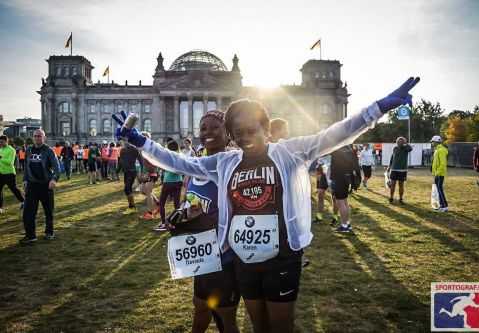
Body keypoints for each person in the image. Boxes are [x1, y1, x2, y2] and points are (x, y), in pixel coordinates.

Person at [114, 77, 420, 332]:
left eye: (253, 130)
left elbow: (335, 134)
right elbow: (177, 161)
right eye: (240, 133)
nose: (247, 137)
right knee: (259, 327)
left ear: (265, 129)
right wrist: (141, 142)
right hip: (245, 258)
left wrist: (376, 109)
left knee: (281, 327)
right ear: (232, 136)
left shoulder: (289, 152)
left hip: (282, 257)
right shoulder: (224, 162)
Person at [171, 110, 240, 333]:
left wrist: (204, 220)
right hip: (202, 255)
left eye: (214, 127)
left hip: (226, 258)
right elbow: (190, 201)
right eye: (203, 128)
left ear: (228, 133)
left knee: (225, 318)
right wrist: (181, 217)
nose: (208, 132)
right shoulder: (194, 167)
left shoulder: (234, 167)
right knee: (200, 306)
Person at [21, 129, 59, 244]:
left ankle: (49, 232)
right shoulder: (29, 150)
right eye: (35, 136)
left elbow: (57, 168)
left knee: (48, 211)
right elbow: (26, 167)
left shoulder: (48, 151)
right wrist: (25, 180)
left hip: (45, 185)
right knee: (28, 212)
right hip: (32, 185)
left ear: (44, 138)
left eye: (39, 136)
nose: (37, 138)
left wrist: (53, 179)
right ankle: (31, 235)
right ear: (33, 137)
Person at [155, 139, 184, 231]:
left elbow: (162, 166)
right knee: (177, 204)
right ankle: (177, 223)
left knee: (162, 203)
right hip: (178, 181)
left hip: (168, 181)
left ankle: (164, 223)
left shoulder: (168, 156)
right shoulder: (181, 156)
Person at [329, 145, 358, 232]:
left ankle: (344, 226)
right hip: (347, 177)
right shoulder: (349, 148)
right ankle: (347, 223)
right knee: (345, 202)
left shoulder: (337, 148)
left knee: (340, 202)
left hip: (339, 178)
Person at [0, 135, 25, 214]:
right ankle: (0, 207)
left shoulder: (12, 150)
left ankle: (24, 201)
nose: (0, 143)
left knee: (14, 189)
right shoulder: (0, 149)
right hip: (1, 173)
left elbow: (10, 162)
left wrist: (1, 158)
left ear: (6, 141)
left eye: (2, 142)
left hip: (10, 173)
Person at [139, 132, 160, 220]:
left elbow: (155, 162)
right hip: (146, 173)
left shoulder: (151, 148)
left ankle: (150, 213)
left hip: (152, 173)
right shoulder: (143, 148)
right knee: (143, 190)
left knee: (147, 192)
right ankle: (158, 203)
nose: (142, 138)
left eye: (145, 137)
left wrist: (148, 173)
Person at [387, 137, 412, 204]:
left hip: (402, 170)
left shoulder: (406, 148)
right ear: (396, 142)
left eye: (401, 142)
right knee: (392, 184)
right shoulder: (395, 148)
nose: (399, 143)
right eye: (398, 142)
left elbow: (410, 149)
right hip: (394, 169)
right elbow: (392, 157)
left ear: (403, 142)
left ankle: (401, 199)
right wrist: (389, 166)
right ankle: (391, 197)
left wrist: (406, 143)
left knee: (401, 185)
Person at [119, 141, 142, 210]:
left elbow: (141, 161)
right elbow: (121, 161)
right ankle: (131, 205)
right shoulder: (122, 150)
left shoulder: (134, 149)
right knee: (127, 189)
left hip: (132, 171)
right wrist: (118, 170)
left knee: (127, 188)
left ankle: (132, 205)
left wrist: (143, 171)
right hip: (126, 172)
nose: (124, 142)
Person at [431, 135, 448, 212]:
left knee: (439, 189)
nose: (432, 143)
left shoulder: (441, 150)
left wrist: (437, 172)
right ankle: (444, 205)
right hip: (437, 173)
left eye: (432, 142)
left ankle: (444, 206)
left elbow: (443, 163)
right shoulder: (437, 150)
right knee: (439, 189)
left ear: (436, 142)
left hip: (440, 173)